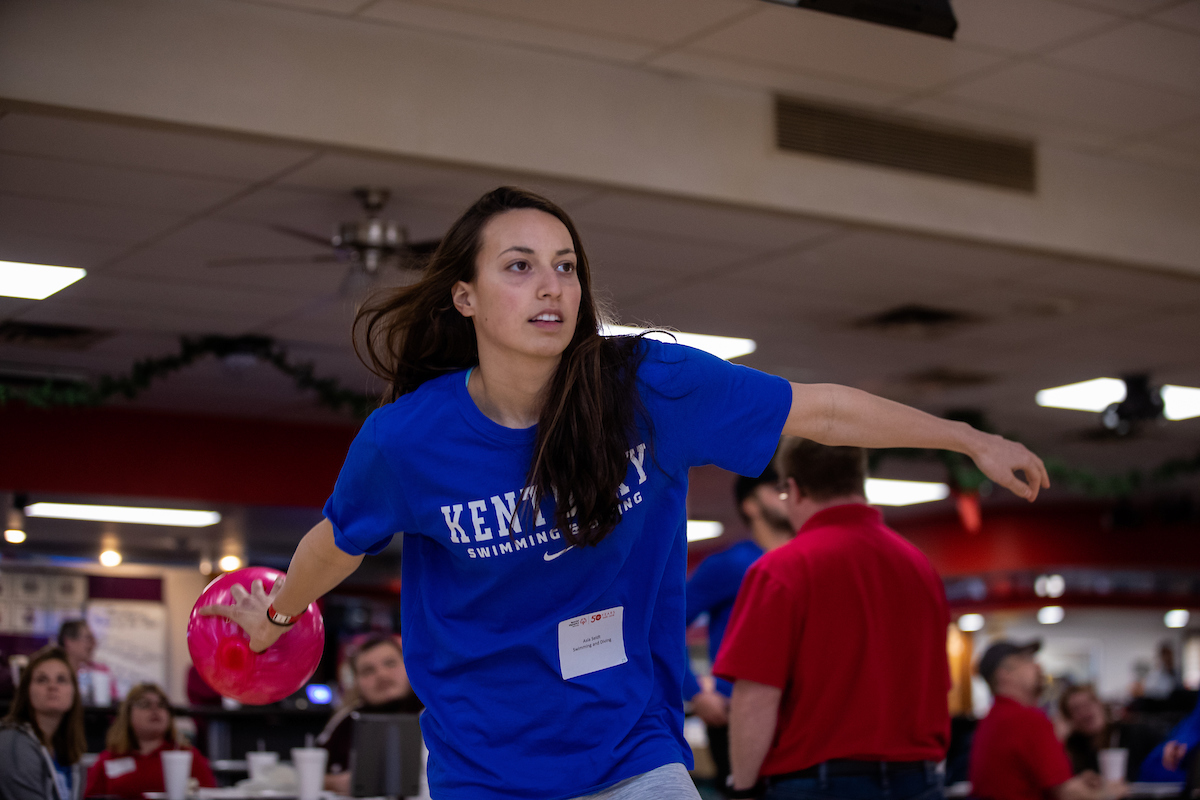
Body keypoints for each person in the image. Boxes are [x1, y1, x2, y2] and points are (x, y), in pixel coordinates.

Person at [200, 186, 1049, 800]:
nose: (552, 286)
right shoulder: (408, 439)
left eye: (566, 267)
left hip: (632, 751)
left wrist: (969, 439)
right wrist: (276, 618)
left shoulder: (645, 386)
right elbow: (336, 541)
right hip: (483, 769)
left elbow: (819, 408)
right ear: (464, 296)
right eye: (521, 266)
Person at [714, 438, 951, 799]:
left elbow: (756, 699)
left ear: (792, 489)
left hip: (817, 782)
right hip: (919, 779)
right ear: (860, 482)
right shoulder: (919, 566)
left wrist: (743, 788)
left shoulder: (780, 570)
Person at [684, 461, 794, 796]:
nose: (787, 497)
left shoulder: (812, 561)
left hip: (796, 717)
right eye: (777, 490)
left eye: (790, 489)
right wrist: (695, 693)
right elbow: (663, 627)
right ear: (750, 505)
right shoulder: (731, 566)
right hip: (737, 717)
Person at [970, 641, 1121, 800]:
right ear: (1005, 674)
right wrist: (1111, 792)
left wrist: (1076, 783)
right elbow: (1067, 794)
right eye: (1027, 661)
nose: (1037, 666)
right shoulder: (1027, 720)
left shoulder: (991, 720)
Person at [318, 635, 423, 793]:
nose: (381, 675)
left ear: (408, 664)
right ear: (357, 682)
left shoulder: (435, 716)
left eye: (390, 663)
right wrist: (334, 783)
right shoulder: (345, 720)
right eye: (368, 671)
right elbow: (309, 767)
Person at [84, 683, 216, 799]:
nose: (155, 709)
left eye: (161, 705)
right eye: (145, 704)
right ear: (127, 714)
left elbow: (210, 794)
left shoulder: (186, 756)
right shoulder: (108, 759)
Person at [0, 646, 86, 800]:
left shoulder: (67, 749)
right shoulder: (13, 742)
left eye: (61, 679)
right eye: (42, 679)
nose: (53, 686)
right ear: (26, 691)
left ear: (74, 691)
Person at [57, 621, 114, 706]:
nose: (94, 644)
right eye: (88, 638)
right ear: (68, 641)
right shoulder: (53, 672)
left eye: (94, 639)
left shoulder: (101, 671)